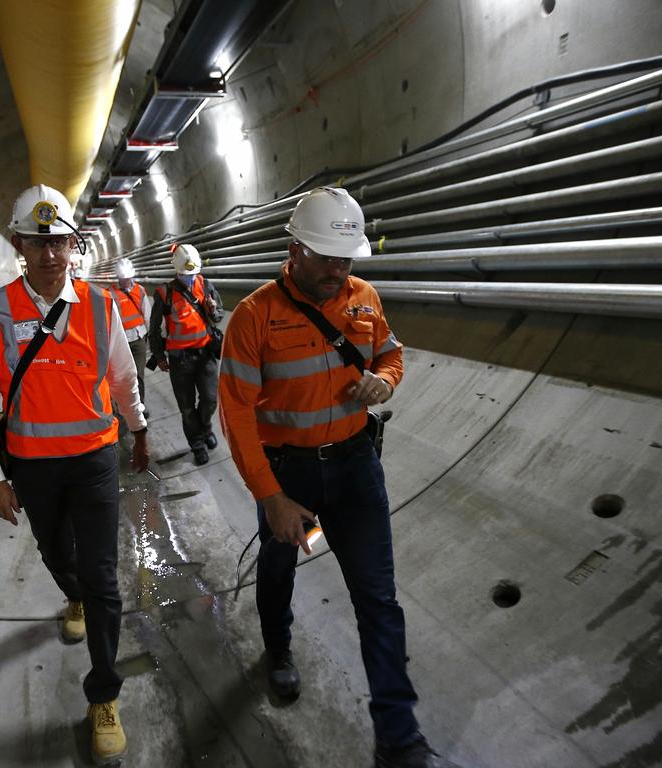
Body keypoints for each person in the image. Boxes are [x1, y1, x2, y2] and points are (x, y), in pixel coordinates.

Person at [218, 187, 462, 768]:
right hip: (288, 474)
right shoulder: (254, 317)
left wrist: (385, 380)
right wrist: (270, 497)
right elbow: (237, 416)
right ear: (294, 247)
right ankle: (278, 648)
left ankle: (398, 739)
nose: (338, 270)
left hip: (355, 467)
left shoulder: (365, 298)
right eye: (326, 257)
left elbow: (392, 354)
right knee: (278, 568)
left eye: (346, 258)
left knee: (378, 598)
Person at [0, 183, 150, 766]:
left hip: (96, 462)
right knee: (56, 554)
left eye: (59, 243)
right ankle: (71, 595)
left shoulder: (99, 307)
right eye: (37, 242)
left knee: (104, 579)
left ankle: (103, 697)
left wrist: (138, 426)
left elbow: (121, 377)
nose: (49, 254)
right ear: (19, 244)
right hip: (34, 469)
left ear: (75, 245)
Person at [147, 243, 224, 466]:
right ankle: (198, 445)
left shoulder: (206, 285)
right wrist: (160, 357)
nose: (189, 278)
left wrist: (212, 309)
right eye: (184, 275)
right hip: (180, 360)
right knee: (187, 408)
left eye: (192, 274)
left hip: (205, 354)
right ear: (176, 270)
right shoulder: (165, 293)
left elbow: (218, 315)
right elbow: (154, 329)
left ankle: (206, 428)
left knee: (210, 400)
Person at [111, 257, 152, 418]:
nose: (127, 281)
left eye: (128, 278)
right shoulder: (110, 293)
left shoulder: (140, 290)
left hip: (138, 338)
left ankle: (139, 405)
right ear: (119, 278)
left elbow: (146, 314)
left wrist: (150, 339)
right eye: (123, 279)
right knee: (123, 376)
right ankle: (124, 405)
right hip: (121, 342)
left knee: (138, 375)